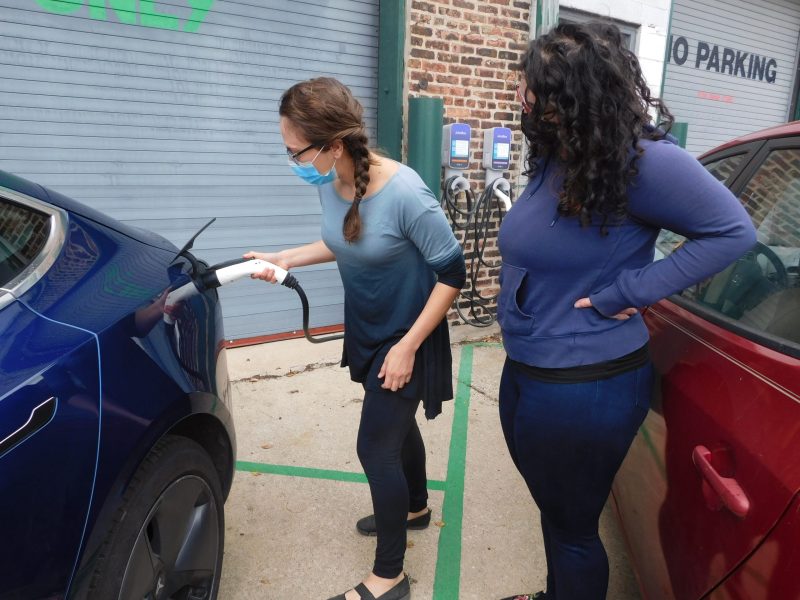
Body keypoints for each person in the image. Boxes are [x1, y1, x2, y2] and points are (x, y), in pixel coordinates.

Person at [496, 22, 756, 600]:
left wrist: (628, 292)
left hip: (584, 384)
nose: (523, 98)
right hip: (532, 369)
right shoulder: (560, 154)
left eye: (533, 89)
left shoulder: (643, 159)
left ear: (574, 96)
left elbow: (732, 232)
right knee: (555, 514)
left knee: (573, 530)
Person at [244, 77, 465, 600]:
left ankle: (390, 577)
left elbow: (452, 273)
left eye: (295, 151)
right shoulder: (329, 178)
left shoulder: (407, 192)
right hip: (367, 325)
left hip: (409, 333)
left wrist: (408, 346)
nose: (292, 161)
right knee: (393, 427)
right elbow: (342, 237)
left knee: (374, 447)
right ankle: (415, 507)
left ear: (333, 145)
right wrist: (285, 258)